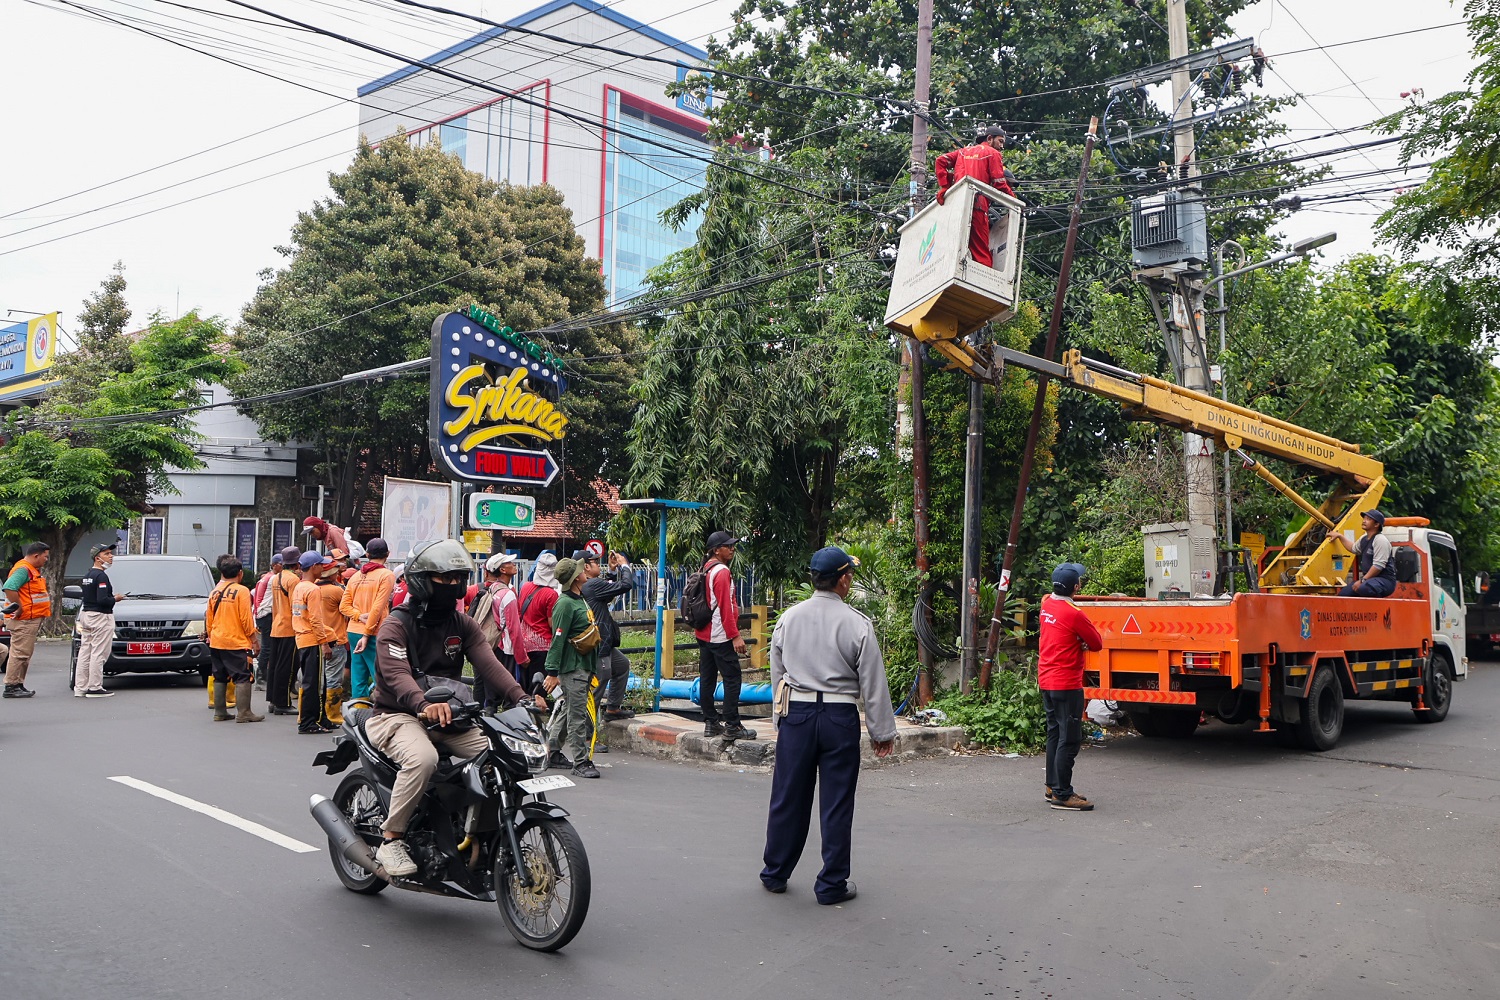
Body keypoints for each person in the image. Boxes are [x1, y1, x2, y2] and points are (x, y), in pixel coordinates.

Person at [366, 539, 545, 878]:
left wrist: (521, 696)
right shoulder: (396, 625)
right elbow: (397, 675)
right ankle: (391, 839)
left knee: (504, 752)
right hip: (396, 715)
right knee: (423, 759)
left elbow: (489, 665)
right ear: (420, 581)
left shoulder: (462, 625)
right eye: (442, 579)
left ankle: (478, 829)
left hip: (450, 715)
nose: (451, 587)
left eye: (456, 580)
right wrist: (422, 705)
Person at [761, 546, 895, 905]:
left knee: (788, 796)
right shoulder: (857, 623)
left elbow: (779, 674)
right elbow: (873, 681)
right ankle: (831, 883)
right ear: (844, 579)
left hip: (798, 716)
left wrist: (780, 718)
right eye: (849, 575)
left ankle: (775, 873)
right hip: (839, 718)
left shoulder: (789, 618)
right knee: (836, 803)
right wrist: (882, 732)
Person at [1038, 562, 1103, 812]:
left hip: (1046, 678)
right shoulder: (1074, 613)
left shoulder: (1047, 605)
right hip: (1066, 682)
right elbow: (1096, 643)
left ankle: (1052, 786)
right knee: (1070, 738)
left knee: (1054, 732)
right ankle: (1063, 795)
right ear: (1076, 587)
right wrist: (1080, 641)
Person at [543, 557, 602, 779]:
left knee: (570, 709)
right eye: (581, 569)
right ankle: (581, 761)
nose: (585, 570)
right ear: (575, 577)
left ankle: (552, 751)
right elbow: (557, 640)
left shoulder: (580, 599)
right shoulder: (565, 604)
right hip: (573, 668)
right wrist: (552, 671)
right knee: (577, 715)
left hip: (584, 665)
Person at [695, 531, 756, 741]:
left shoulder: (706, 568)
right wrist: (735, 636)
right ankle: (732, 725)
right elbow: (725, 607)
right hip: (719, 635)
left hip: (703, 633)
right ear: (716, 550)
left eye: (732, 545)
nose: (731, 549)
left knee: (707, 678)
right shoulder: (721, 571)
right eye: (727, 546)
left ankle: (711, 722)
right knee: (732, 678)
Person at [935, 125, 1018, 268]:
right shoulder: (993, 153)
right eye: (1000, 141)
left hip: (957, 205)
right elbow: (999, 183)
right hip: (977, 205)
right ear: (990, 138)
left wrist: (945, 186)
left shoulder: (962, 152)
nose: (1002, 146)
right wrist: (1014, 201)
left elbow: (940, 161)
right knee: (981, 251)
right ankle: (985, 281)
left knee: (958, 243)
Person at [579, 549, 636, 724]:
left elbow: (608, 594)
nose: (599, 564)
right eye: (596, 562)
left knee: (622, 666)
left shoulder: (589, 586)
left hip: (604, 642)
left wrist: (612, 571)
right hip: (599, 644)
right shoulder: (591, 585)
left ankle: (612, 708)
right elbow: (625, 586)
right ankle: (587, 732)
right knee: (600, 682)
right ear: (586, 567)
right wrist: (625, 566)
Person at [206, 556, 264, 723]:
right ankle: (244, 712)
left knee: (219, 676)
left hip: (217, 640)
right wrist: (254, 639)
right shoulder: (242, 591)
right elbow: (246, 619)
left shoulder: (214, 592)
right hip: (235, 641)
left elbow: (209, 619)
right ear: (240, 573)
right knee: (242, 677)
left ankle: (219, 711)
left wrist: (211, 636)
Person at [341, 537, 395, 700]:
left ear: (367, 554)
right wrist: (367, 633)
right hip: (373, 633)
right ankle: (383, 714)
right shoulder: (386, 575)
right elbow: (377, 609)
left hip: (353, 631)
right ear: (388, 554)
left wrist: (358, 616)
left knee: (358, 677)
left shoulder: (356, 576)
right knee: (380, 675)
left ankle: (358, 713)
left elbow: (343, 606)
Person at [291, 551, 336, 735]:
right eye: (321, 564)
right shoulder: (313, 589)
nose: (324, 568)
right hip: (312, 639)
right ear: (314, 567)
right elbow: (316, 620)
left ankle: (320, 718)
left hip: (302, 637)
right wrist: (324, 642)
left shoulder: (300, 587)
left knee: (316, 681)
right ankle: (309, 721)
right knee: (314, 684)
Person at [72, 542, 123, 698]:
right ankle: (95, 687)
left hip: (86, 614)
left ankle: (80, 687)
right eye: (106, 554)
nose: (111, 556)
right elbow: (103, 600)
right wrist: (116, 598)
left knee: (85, 651)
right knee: (99, 652)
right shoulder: (101, 576)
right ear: (97, 558)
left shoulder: (87, 575)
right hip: (100, 616)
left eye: (110, 553)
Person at [3, 541, 53, 699]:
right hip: (23, 619)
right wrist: (19, 607)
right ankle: (11, 686)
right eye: (45, 557)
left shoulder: (31, 569)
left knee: (24, 653)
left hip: (29, 618)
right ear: (36, 555)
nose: (46, 559)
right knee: (19, 653)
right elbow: (9, 587)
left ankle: (17, 684)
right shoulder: (23, 569)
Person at [266, 546, 302, 714]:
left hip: (277, 625)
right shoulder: (293, 580)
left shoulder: (276, 578)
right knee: (287, 667)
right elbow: (295, 607)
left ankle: (273, 700)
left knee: (274, 665)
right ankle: (283, 703)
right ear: (297, 563)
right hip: (289, 627)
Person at [316, 555, 351, 724]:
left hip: (316, 639)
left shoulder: (312, 588)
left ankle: (319, 711)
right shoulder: (337, 591)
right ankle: (333, 714)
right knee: (333, 678)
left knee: (318, 677)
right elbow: (347, 611)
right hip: (335, 639)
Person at [519, 551, 560, 688]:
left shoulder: (525, 587)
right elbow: (551, 623)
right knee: (539, 687)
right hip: (543, 646)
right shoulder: (551, 594)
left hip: (524, 644)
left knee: (526, 684)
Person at [1338, 510, 1397, 598]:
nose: (1364, 521)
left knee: (1364, 588)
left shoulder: (1380, 540)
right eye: (1364, 518)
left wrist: (1362, 580)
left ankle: (1377, 609)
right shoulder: (1364, 538)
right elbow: (1353, 548)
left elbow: (1378, 566)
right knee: (1344, 593)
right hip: (1370, 579)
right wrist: (1340, 536)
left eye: (1368, 519)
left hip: (1385, 580)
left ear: (1376, 524)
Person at [252, 552, 283, 689]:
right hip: (267, 614)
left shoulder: (265, 578)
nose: (283, 567)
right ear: (274, 565)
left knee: (267, 647)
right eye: (281, 564)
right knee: (267, 647)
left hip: (262, 614)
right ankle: (261, 677)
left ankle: (262, 676)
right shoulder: (274, 578)